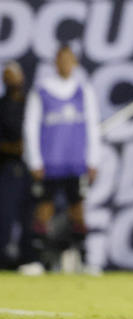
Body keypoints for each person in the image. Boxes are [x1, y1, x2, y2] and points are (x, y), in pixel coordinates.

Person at [20, 45, 101, 275]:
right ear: (56, 63)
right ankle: (39, 260)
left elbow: (93, 126)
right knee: (44, 209)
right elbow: (31, 125)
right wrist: (34, 160)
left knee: (78, 209)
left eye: (69, 60)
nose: (66, 64)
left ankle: (84, 259)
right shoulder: (42, 90)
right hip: (50, 162)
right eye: (62, 60)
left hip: (75, 161)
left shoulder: (83, 90)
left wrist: (93, 159)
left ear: (74, 63)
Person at [0, 62, 29, 268]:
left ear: (22, 78)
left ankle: (30, 258)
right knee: (6, 215)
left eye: (13, 76)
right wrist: (14, 148)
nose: (10, 80)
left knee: (30, 214)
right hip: (7, 168)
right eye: (6, 77)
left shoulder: (31, 104)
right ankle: (3, 259)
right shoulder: (1, 106)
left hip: (32, 168)